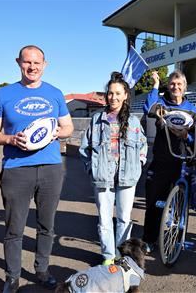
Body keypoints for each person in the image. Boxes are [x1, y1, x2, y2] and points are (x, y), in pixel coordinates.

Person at [0, 45, 74, 293]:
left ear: (45, 64)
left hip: (51, 169)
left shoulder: (55, 93)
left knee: (47, 226)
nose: (32, 67)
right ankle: (12, 276)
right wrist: (11, 139)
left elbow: (67, 127)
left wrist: (58, 132)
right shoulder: (3, 95)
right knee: (15, 228)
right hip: (16, 169)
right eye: (27, 62)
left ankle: (42, 270)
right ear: (18, 63)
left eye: (37, 62)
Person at [79, 72, 148, 265]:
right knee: (104, 220)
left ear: (126, 95)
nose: (113, 97)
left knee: (124, 218)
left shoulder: (133, 121)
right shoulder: (97, 120)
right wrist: (91, 169)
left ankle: (122, 255)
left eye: (118, 93)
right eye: (110, 93)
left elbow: (143, 145)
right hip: (103, 177)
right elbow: (85, 148)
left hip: (127, 177)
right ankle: (109, 256)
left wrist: (139, 164)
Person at [141, 70, 196, 253]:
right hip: (161, 161)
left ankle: (176, 238)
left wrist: (187, 136)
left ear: (184, 87)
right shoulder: (161, 105)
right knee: (153, 203)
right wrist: (155, 85)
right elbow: (148, 108)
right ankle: (149, 240)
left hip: (182, 162)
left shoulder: (192, 109)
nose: (175, 87)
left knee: (180, 205)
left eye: (179, 84)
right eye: (172, 84)